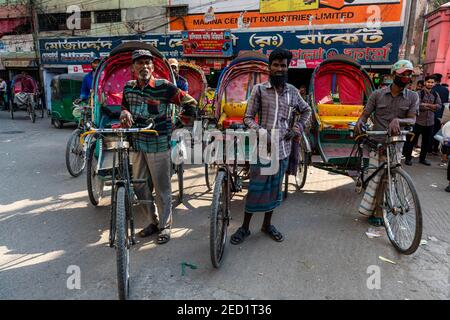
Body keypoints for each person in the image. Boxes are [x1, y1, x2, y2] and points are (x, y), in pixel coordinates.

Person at [229, 48, 311, 244]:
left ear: (287, 67)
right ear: (270, 67)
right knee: (256, 190)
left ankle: (267, 225)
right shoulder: (259, 90)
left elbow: (306, 110)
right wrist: (260, 131)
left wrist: (297, 128)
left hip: (282, 150)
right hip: (262, 150)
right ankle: (245, 227)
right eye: (276, 65)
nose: (279, 69)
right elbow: (247, 118)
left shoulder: (292, 92)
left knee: (274, 191)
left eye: (283, 66)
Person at [119, 49, 197, 244]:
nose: (144, 66)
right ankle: (152, 222)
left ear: (153, 67)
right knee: (139, 187)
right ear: (133, 68)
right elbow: (124, 106)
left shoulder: (164, 87)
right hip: (137, 144)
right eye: (140, 63)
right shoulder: (128, 88)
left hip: (159, 144)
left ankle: (165, 226)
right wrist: (124, 113)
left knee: (162, 190)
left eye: (147, 63)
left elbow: (191, 103)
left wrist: (178, 124)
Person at [355, 59, 419, 227]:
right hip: (377, 142)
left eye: (409, 74)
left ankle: (381, 209)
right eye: (403, 74)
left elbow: (412, 119)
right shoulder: (377, 94)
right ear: (393, 75)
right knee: (376, 180)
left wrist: (399, 120)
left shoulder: (413, 96)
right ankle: (374, 210)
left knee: (390, 179)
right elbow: (365, 114)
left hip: (396, 144)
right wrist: (360, 122)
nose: (406, 77)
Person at [403, 75, 442, 166]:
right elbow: (417, 105)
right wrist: (432, 106)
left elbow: (439, 106)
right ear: (425, 82)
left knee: (426, 142)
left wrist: (426, 105)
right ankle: (408, 158)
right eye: (428, 82)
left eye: (432, 82)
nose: (430, 84)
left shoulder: (436, 94)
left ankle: (422, 159)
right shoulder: (418, 93)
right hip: (418, 121)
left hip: (430, 122)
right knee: (412, 141)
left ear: (434, 83)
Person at [430, 73, 450, 154]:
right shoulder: (445, 90)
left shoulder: (431, 88)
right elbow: (445, 103)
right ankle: (435, 149)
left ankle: (428, 149)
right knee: (437, 131)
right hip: (440, 114)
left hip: (430, 113)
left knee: (429, 131)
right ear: (440, 80)